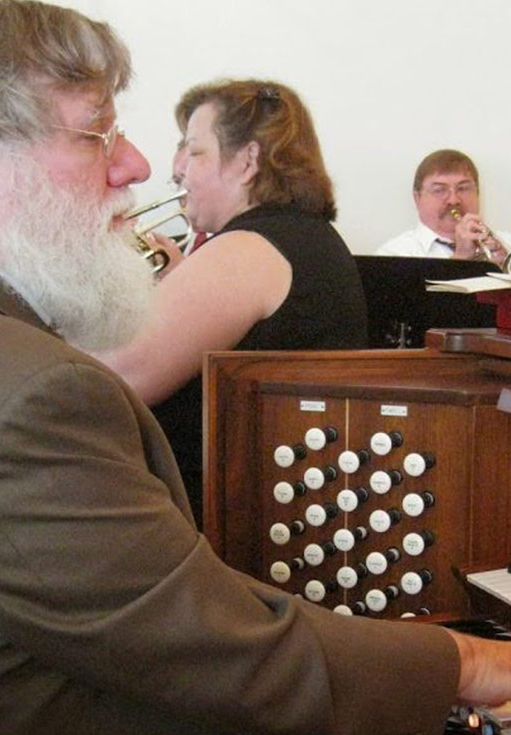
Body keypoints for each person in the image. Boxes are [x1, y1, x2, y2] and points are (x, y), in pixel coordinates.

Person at [0, 2, 511, 732]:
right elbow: (238, 663)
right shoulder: (25, 398)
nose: (132, 165)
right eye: (97, 133)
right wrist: (468, 659)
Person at [97, 79, 369, 525]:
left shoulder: (249, 248)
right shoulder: (299, 237)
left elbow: (114, 376)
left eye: (193, 150)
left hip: (225, 526)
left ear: (247, 161)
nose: (177, 167)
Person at [377, 149, 511, 274]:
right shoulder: (395, 254)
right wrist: (461, 260)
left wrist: (507, 274)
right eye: (439, 190)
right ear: (417, 198)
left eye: (463, 188)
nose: (454, 200)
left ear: (478, 193)